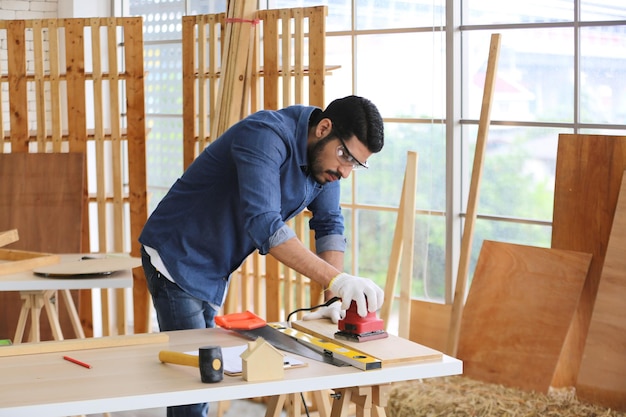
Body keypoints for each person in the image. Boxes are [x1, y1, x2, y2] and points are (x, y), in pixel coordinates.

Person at [139, 95, 386, 417]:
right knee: (196, 382)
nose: (345, 170)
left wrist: (333, 300)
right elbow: (264, 224)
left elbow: (329, 224)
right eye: (345, 156)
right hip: (176, 254)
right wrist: (338, 280)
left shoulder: (325, 165)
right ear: (324, 128)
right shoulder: (264, 135)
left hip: (216, 264)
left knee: (206, 372)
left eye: (355, 163)